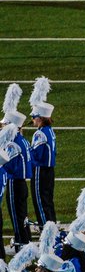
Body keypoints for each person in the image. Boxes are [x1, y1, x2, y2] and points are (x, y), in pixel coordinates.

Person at [1, 87, 33, 249]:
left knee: (17, 215)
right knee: (22, 215)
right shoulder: (22, 140)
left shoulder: (13, 144)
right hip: (21, 183)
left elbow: (7, 164)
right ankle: (25, 240)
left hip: (15, 182)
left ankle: (21, 243)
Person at [27, 78, 56, 229]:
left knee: (40, 202)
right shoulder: (49, 131)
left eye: (33, 117)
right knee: (48, 201)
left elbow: (35, 155)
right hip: (49, 171)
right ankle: (52, 228)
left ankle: (46, 230)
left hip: (40, 170)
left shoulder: (39, 134)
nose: (32, 120)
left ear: (40, 118)